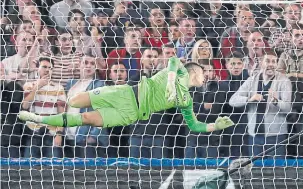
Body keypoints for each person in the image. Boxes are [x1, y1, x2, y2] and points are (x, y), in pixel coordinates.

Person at [18, 57, 234, 133]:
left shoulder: (186, 99)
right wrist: (169, 81)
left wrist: (215, 125)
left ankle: (38, 119)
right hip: (125, 93)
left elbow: (194, 125)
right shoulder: (176, 69)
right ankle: (49, 118)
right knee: (75, 101)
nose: (206, 76)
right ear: (194, 71)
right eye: (203, 72)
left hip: (131, 113)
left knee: (85, 119)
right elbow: (173, 61)